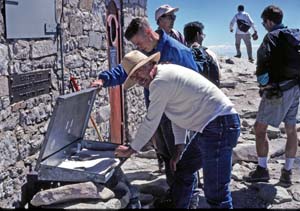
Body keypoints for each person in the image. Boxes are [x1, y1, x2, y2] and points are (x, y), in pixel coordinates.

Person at [91, 17, 200, 208]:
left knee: (182, 159)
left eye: (139, 43)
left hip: (179, 115)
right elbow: (126, 71)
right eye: (136, 45)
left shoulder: (177, 51)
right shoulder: (145, 51)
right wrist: (104, 80)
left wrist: (133, 147)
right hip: (159, 113)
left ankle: (189, 200)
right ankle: (175, 194)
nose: (138, 47)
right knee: (168, 156)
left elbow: (195, 84)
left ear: (149, 32)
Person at [114, 50, 241, 208]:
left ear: (150, 64)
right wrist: (179, 148)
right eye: (133, 76)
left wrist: (131, 149)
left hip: (219, 125)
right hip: (212, 126)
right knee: (183, 170)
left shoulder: (160, 81)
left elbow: (150, 121)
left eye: (139, 70)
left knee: (216, 193)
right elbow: (178, 116)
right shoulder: (164, 77)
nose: (138, 78)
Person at [243, 5, 300, 187]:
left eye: (263, 22)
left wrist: (264, 86)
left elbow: (262, 68)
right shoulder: (295, 35)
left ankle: (262, 170)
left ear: (269, 21)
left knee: (260, 129)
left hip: (278, 90)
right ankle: (287, 173)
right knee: (291, 130)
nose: (263, 25)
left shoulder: (271, 37)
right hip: (295, 88)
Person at [184, 21, 221, 87]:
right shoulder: (209, 53)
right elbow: (218, 76)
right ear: (198, 35)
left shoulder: (180, 52)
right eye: (203, 35)